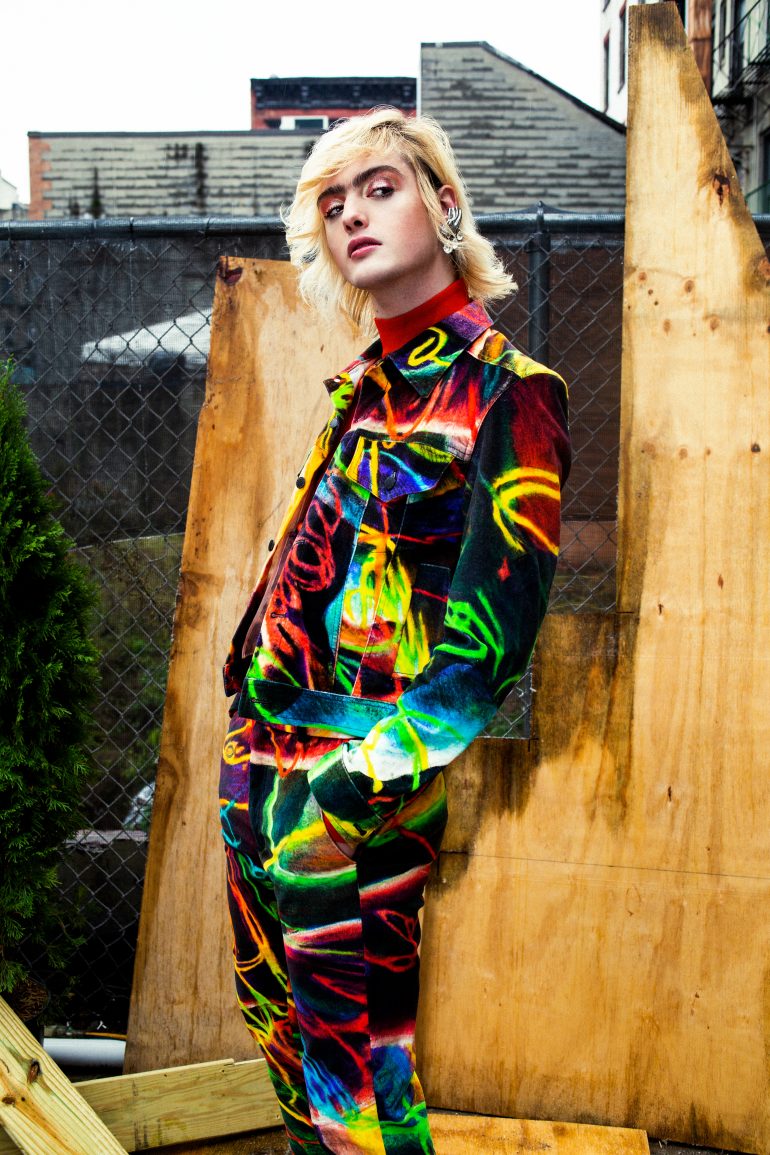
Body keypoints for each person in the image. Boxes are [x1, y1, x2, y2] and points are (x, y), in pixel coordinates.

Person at [218, 108, 571, 1155]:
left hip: (359, 779)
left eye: (379, 188)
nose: (351, 215)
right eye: (332, 204)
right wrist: (248, 738)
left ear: (444, 206)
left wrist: (341, 793)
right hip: (261, 755)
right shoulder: (359, 391)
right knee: (289, 1050)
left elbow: (482, 660)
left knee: (362, 1077)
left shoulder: (509, 394)